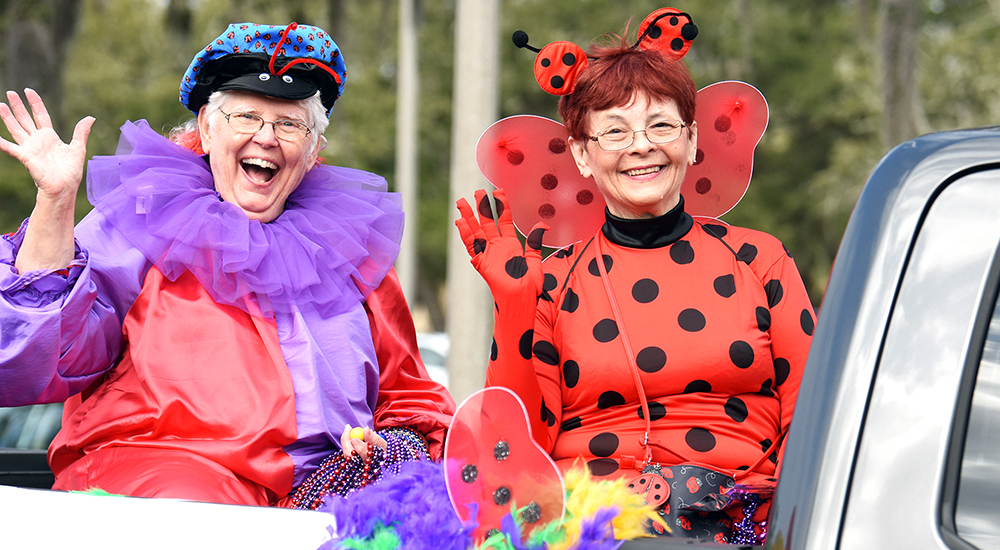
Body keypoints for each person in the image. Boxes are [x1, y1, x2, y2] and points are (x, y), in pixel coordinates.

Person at [0, 21, 454, 508]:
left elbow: (409, 396)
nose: (266, 137)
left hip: (324, 493)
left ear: (313, 150)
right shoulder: (141, 221)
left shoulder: (350, 250)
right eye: (246, 117)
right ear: (209, 131)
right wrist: (54, 202)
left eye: (290, 124)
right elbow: (36, 358)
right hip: (169, 477)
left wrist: (394, 447)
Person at [455, 17, 815, 545]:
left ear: (692, 141)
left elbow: (811, 413)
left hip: (741, 522)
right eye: (615, 131)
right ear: (581, 153)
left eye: (661, 126)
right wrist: (514, 303)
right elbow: (513, 453)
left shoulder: (758, 259)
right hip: (591, 529)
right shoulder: (550, 281)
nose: (640, 145)